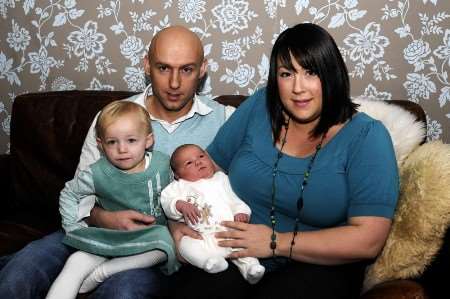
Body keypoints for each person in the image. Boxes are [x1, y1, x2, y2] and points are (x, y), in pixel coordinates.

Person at [0, 25, 234, 299]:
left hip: (160, 253)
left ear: (203, 69)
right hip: (96, 233)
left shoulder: (227, 120)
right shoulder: (111, 118)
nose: (174, 83)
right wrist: (103, 217)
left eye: (186, 69)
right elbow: (81, 189)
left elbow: (241, 193)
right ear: (147, 65)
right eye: (163, 68)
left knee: (123, 290)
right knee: (23, 270)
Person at [169, 23, 399, 299]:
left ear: (332, 74)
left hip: (319, 266)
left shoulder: (367, 137)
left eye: (311, 72)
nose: (298, 88)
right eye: (287, 73)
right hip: (236, 249)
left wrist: (275, 242)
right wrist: (176, 223)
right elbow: (205, 170)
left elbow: (369, 240)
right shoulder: (259, 107)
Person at [46, 101, 179, 299]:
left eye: (131, 140)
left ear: (148, 140)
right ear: (100, 145)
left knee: (165, 243)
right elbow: (69, 193)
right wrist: (72, 227)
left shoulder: (163, 164)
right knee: (76, 262)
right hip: (108, 236)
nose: (122, 149)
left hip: (148, 241)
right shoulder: (96, 173)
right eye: (112, 142)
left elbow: (181, 190)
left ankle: (104, 272)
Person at [161, 144, 265, 284]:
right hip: (201, 237)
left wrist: (241, 212)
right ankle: (209, 262)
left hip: (228, 231)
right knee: (186, 245)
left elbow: (234, 200)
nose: (198, 162)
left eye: (201, 156)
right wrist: (179, 205)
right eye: (189, 163)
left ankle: (251, 269)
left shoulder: (222, 179)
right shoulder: (178, 187)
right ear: (177, 175)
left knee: (243, 245)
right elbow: (167, 201)